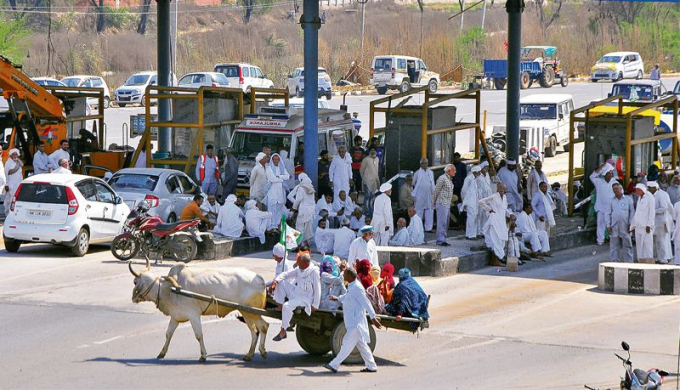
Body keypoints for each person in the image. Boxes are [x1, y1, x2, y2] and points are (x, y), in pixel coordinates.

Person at [323, 268, 382, 374]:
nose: (343, 276)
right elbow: (348, 296)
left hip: (356, 323)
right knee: (362, 346)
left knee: (346, 343)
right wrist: (338, 298)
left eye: (345, 274)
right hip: (352, 321)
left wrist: (373, 317)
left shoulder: (357, 288)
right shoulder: (352, 286)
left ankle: (334, 365)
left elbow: (366, 303)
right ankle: (372, 366)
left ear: (350, 276)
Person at [273, 254, 321, 342]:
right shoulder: (299, 269)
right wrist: (275, 281)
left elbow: (317, 288)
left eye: (298, 262)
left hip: (304, 299)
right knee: (281, 283)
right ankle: (280, 306)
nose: (296, 264)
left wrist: (315, 305)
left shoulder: (314, 272)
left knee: (287, 306)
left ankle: (283, 331)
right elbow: (286, 274)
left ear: (304, 263)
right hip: (296, 293)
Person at [479, 183, 512, 263]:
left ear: (505, 189)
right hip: (494, 220)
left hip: (501, 221)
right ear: (497, 188)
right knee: (495, 238)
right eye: (500, 187)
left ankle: (501, 256)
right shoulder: (494, 196)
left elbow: (504, 210)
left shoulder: (504, 198)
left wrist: (510, 215)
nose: (501, 189)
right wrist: (489, 209)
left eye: (503, 187)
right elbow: (481, 202)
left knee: (501, 239)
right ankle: (498, 258)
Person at [590, 163, 618, 245]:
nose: (611, 174)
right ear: (605, 174)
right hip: (601, 207)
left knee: (612, 224)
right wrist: (600, 168)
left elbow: (620, 192)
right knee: (601, 224)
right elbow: (591, 177)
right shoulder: (599, 182)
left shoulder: (614, 182)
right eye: (609, 173)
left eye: (611, 173)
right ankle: (600, 240)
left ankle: (613, 240)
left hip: (611, 207)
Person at [606, 183, 635, 263]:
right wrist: (608, 225)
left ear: (621, 188)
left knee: (627, 244)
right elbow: (607, 213)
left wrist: (631, 224)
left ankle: (629, 261)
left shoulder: (628, 199)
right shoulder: (611, 200)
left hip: (625, 225)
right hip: (614, 225)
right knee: (614, 245)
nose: (615, 190)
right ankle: (614, 261)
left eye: (616, 188)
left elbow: (632, 212)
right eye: (614, 189)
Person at [648, 181, 673, 264]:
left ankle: (663, 258)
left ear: (654, 188)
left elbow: (664, 208)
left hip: (661, 220)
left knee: (661, 240)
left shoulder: (661, 195)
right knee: (659, 240)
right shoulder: (654, 194)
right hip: (656, 221)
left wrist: (652, 211)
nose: (649, 189)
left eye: (650, 188)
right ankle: (662, 257)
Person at [265, 153, 290, 229]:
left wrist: (279, 176)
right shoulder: (269, 168)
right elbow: (272, 179)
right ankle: (270, 225)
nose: (276, 161)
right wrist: (281, 179)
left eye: (277, 159)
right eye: (274, 159)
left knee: (279, 209)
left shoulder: (282, 168)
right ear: (272, 160)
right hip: (272, 191)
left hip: (280, 191)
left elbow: (287, 176)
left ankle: (276, 225)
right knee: (271, 209)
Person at [632, 183, 655, 263]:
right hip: (638, 226)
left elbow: (652, 212)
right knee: (639, 246)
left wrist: (649, 224)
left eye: (638, 190)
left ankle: (649, 262)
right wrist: (633, 225)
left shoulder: (649, 197)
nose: (636, 192)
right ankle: (641, 261)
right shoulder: (639, 198)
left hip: (646, 226)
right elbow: (638, 212)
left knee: (647, 246)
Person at [289, 173, 316, 242]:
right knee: (308, 229)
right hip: (311, 211)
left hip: (303, 210)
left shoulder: (300, 188)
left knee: (299, 227)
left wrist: (294, 208)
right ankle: (306, 245)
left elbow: (298, 199)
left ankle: (299, 245)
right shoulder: (311, 188)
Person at [434, 164, 456, 246]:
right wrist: (434, 202)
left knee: (446, 222)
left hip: (447, 204)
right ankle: (440, 240)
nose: (455, 172)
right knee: (441, 222)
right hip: (441, 203)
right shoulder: (442, 178)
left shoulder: (449, 179)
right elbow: (436, 190)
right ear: (449, 170)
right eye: (454, 170)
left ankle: (443, 238)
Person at [413, 158, 435, 232]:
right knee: (419, 211)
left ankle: (428, 228)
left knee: (429, 211)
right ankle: (418, 228)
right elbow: (413, 183)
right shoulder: (417, 173)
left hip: (429, 195)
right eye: (423, 163)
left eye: (426, 163)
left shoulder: (431, 172)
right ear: (421, 164)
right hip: (420, 195)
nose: (425, 164)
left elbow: (432, 183)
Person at [461, 165, 481, 239]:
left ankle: (472, 234)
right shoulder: (469, 178)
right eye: (479, 172)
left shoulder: (474, 179)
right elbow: (463, 190)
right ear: (475, 172)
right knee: (471, 218)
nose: (480, 174)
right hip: (469, 201)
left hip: (474, 202)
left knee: (474, 218)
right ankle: (470, 235)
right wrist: (464, 201)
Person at [360, 148, 380, 215]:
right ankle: (367, 211)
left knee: (372, 196)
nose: (373, 151)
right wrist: (364, 179)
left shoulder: (377, 159)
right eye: (371, 150)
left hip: (374, 181)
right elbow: (361, 171)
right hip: (367, 181)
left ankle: (371, 211)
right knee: (367, 197)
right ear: (369, 151)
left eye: (374, 150)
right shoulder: (365, 159)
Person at [4, 149, 23, 216]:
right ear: (11, 155)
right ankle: (8, 214)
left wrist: (17, 159)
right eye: (13, 154)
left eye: (16, 154)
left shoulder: (17, 162)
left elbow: (22, 164)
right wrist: (6, 184)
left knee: (17, 199)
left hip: (18, 183)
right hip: (11, 184)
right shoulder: (8, 162)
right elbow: (6, 173)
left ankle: (15, 213)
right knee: (10, 200)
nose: (15, 155)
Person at [476, 162, 493, 236]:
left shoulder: (487, 175)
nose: (487, 169)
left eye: (487, 167)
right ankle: (478, 231)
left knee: (485, 215)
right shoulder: (478, 176)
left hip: (487, 198)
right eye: (485, 167)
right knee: (479, 215)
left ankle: (483, 231)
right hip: (480, 197)